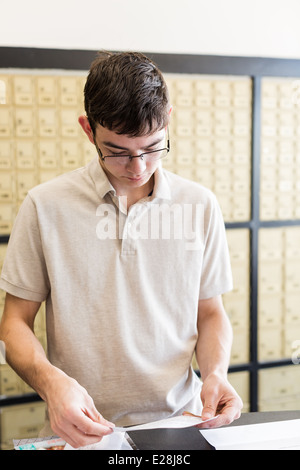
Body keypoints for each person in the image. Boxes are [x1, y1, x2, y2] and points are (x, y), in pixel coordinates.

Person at [0, 51, 242, 448]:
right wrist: (50, 383)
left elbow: (210, 311)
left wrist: (215, 373)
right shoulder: (45, 205)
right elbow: (13, 324)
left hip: (181, 423)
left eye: (152, 147)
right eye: (117, 151)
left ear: (167, 122)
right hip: (82, 432)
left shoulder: (200, 204)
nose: (138, 167)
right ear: (88, 130)